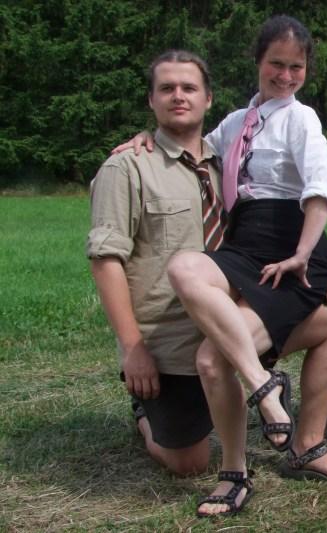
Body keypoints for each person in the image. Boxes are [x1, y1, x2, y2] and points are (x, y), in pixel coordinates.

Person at [117, 16, 327, 516]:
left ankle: (266, 462)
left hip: (292, 247)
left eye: (296, 67)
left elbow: (322, 187)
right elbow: (192, 145)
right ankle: (265, 388)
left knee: (214, 359)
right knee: (185, 270)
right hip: (245, 245)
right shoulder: (235, 122)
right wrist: (147, 137)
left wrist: (304, 253)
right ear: (257, 62)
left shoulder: (302, 119)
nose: (286, 75)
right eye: (276, 63)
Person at [87, 50, 220, 476]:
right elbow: (106, 260)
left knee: (326, 319)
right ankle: (143, 410)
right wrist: (134, 349)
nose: (178, 96)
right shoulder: (126, 168)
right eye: (167, 88)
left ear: (208, 98)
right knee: (190, 463)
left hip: (229, 329)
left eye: (189, 88)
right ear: (151, 100)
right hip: (169, 347)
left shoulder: (230, 163)